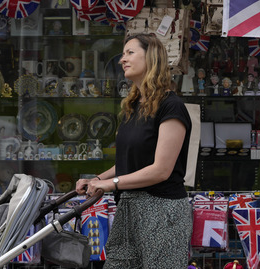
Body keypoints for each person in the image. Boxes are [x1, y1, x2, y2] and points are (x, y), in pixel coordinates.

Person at [76, 33, 192, 269]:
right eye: (123, 54)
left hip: (162, 211)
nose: (122, 59)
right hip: (128, 206)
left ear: (151, 58)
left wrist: (110, 184)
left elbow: (161, 170)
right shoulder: (134, 107)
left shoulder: (172, 106)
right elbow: (132, 163)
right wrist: (98, 179)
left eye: (130, 53)